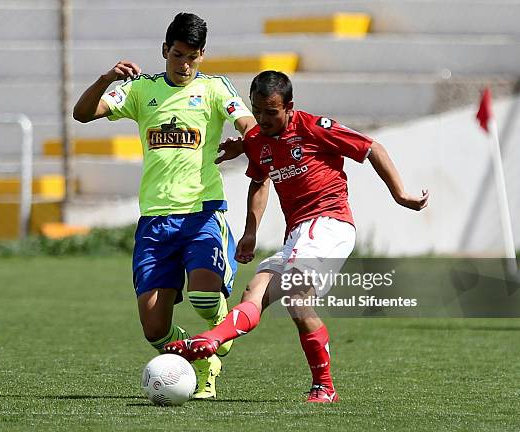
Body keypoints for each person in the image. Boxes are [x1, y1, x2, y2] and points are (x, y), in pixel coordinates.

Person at [165, 70, 429, 402]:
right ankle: (211, 340)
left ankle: (324, 386)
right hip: (298, 234)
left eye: (271, 112)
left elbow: (372, 148)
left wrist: (400, 194)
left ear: (289, 107)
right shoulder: (257, 139)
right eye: (257, 111)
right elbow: (259, 181)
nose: (263, 119)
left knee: (296, 294)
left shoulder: (315, 127)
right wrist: (249, 233)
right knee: (255, 290)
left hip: (328, 222)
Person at [73, 12, 256, 399]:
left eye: (192, 56)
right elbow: (83, 113)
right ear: (164, 51)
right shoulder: (141, 90)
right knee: (154, 328)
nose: (184, 64)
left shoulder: (215, 88)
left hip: (203, 212)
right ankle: (196, 354)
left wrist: (248, 140)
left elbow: (247, 123)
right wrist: (107, 79)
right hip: (155, 221)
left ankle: (216, 344)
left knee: (206, 298)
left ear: (202, 55)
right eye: (177, 55)